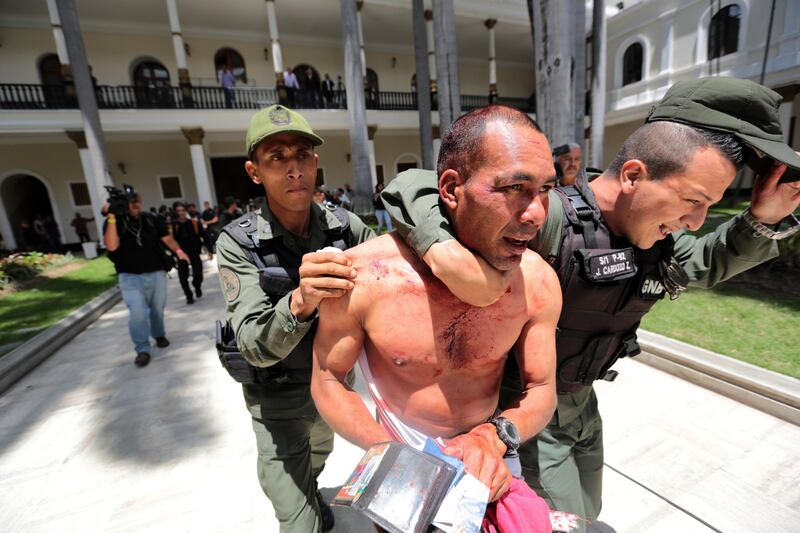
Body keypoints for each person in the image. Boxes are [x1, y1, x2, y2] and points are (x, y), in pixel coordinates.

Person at [381, 77, 800, 528]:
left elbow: (706, 261)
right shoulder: (548, 220)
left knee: (589, 512)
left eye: (708, 206)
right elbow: (417, 184)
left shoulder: (656, 242)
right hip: (523, 416)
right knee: (562, 521)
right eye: (692, 201)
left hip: (583, 406)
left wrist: (761, 219)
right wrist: (444, 252)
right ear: (634, 175)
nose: (696, 222)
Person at [311, 106, 561, 515]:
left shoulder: (536, 282)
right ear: (450, 189)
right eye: (515, 187)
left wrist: (492, 438)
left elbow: (541, 389)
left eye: (545, 190)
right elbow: (327, 379)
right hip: (397, 447)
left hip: (489, 453)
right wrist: (385, 450)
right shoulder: (365, 275)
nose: (536, 214)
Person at [215, 104, 374, 532]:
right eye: (276, 158)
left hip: (332, 391)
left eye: (302, 155)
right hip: (278, 402)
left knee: (319, 456)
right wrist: (301, 300)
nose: (293, 169)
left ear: (316, 164)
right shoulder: (238, 243)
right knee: (298, 523)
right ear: (254, 172)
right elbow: (252, 344)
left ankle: (312, 491)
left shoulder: (345, 226)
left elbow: (394, 271)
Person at [104, 191, 189, 367]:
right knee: (138, 312)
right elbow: (111, 245)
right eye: (131, 202)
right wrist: (111, 215)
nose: (135, 205)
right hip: (129, 277)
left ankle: (158, 334)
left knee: (157, 309)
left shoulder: (151, 219)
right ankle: (142, 349)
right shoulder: (114, 222)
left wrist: (180, 252)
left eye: (138, 202)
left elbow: (167, 239)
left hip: (156, 272)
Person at [171, 203, 206, 305]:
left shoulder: (194, 223)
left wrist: (209, 249)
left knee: (198, 274)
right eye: (178, 210)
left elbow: (204, 235)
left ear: (185, 211)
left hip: (194, 253)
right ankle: (189, 296)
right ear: (175, 212)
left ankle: (197, 286)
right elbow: (170, 240)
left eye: (182, 210)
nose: (181, 212)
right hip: (181, 255)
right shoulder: (173, 225)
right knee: (183, 278)